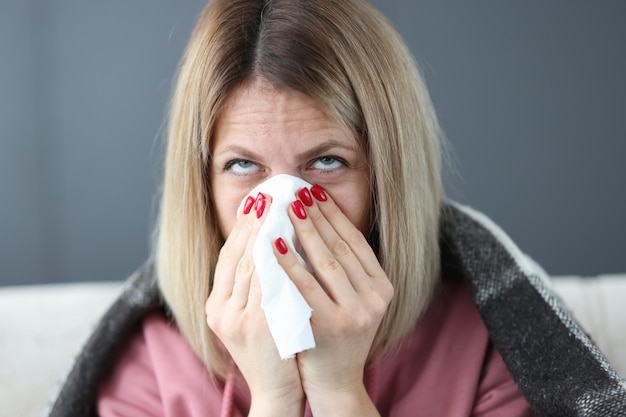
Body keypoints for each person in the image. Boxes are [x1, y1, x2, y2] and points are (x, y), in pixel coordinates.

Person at [45, 0, 626, 416]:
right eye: (243, 166)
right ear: (200, 187)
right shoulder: (147, 367)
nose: (282, 208)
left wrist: (338, 390)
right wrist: (274, 400)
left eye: (326, 162)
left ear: (387, 177)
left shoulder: (489, 343)